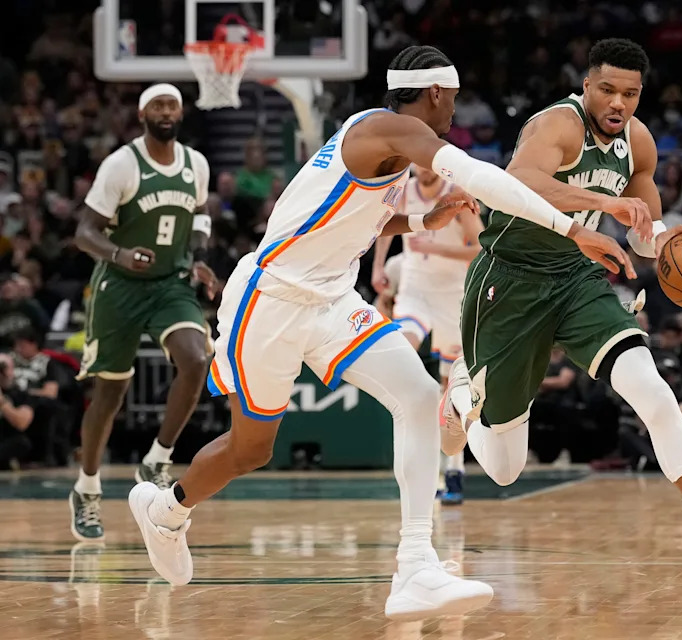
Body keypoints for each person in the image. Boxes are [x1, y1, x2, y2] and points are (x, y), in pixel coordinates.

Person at [127, 45, 631, 621]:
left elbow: (363, 212)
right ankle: (167, 510)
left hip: (333, 298)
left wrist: (421, 219)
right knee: (252, 449)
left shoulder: (382, 140)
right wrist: (573, 227)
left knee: (418, 396)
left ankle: (415, 566)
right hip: (270, 300)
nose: (455, 117)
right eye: (454, 103)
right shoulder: (388, 129)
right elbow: (481, 177)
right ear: (438, 94)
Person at [441, 38, 682, 610]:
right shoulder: (557, 126)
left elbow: (642, 226)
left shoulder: (638, 143)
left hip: (577, 278)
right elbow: (520, 180)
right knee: (505, 470)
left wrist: (671, 238)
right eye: (607, 88)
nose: (618, 101)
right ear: (587, 85)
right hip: (507, 282)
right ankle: (462, 397)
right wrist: (602, 206)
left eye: (629, 93)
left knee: (654, 393)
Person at [71, 84, 218, 542]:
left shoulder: (196, 163)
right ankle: (87, 488)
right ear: (142, 114)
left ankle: (157, 457)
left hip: (170, 285)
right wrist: (118, 254)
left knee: (196, 358)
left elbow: (199, 217)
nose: (166, 112)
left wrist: (197, 256)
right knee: (110, 395)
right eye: (158, 105)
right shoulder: (121, 164)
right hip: (119, 288)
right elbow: (84, 232)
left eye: (172, 105)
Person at [371, 165, 485, 505]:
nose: (420, 168)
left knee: (453, 388)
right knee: (404, 357)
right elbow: (384, 226)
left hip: (452, 293)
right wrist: (378, 267)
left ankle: (455, 469)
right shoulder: (403, 189)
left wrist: (436, 249)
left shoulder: (458, 193)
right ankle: (420, 463)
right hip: (415, 289)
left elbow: (481, 248)